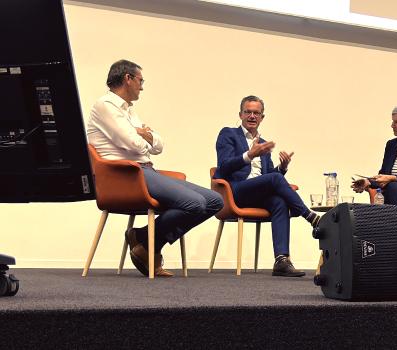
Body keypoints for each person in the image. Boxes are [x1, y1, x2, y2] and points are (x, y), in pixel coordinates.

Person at [87, 59, 223, 277]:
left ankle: (144, 239)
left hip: (146, 170)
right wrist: (143, 137)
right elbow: (132, 143)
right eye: (140, 80)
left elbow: (158, 145)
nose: (142, 86)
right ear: (127, 78)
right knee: (195, 203)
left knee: (215, 201)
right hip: (125, 176)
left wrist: (145, 135)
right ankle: (147, 243)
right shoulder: (105, 105)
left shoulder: (128, 111)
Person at [214, 95, 321, 277]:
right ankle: (310, 216)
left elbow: (271, 177)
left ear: (262, 117)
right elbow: (223, 167)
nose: (252, 116)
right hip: (235, 191)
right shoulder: (228, 134)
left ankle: (281, 260)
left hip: (257, 194)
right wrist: (249, 155)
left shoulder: (264, 144)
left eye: (257, 113)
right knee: (274, 181)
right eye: (248, 112)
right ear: (240, 114)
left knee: (279, 201)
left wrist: (283, 167)